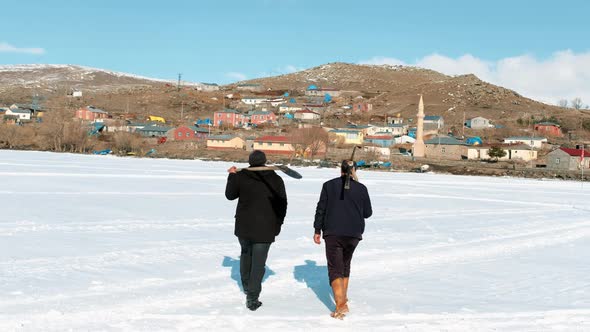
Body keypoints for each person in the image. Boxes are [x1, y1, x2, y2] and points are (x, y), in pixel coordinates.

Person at [225, 150, 287, 311]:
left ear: (250, 161)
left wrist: (232, 176)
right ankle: (252, 297)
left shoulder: (241, 176)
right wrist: (278, 224)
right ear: (265, 161)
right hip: (265, 228)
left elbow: (230, 195)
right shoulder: (276, 179)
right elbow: (282, 205)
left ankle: (247, 287)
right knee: (258, 263)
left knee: (246, 255)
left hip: (244, 226)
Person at [313, 159, 372, 319]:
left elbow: (321, 209)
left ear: (341, 169)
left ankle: (340, 305)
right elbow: (367, 213)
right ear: (355, 170)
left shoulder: (328, 185)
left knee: (335, 268)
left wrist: (317, 229)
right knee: (345, 265)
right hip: (353, 234)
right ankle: (342, 300)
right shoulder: (361, 188)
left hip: (333, 232)